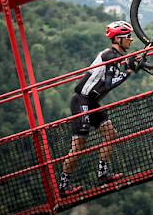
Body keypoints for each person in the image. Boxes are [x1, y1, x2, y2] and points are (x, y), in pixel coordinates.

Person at [58, 20, 140, 196]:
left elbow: (118, 74)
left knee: (110, 134)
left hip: (92, 101)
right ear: (118, 39)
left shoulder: (115, 56)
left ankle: (102, 174)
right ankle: (63, 187)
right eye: (128, 37)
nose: (131, 40)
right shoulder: (109, 56)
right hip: (81, 101)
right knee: (79, 146)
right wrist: (129, 72)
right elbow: (109, 84)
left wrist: (130, 66)